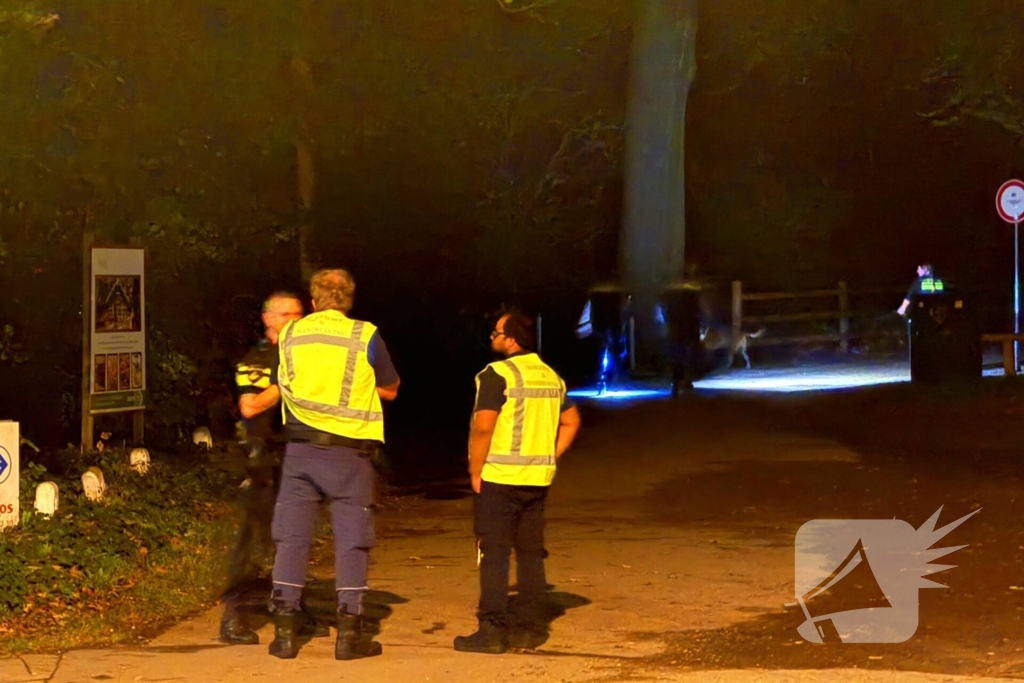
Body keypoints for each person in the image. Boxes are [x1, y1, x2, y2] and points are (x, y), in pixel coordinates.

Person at [266, 269, 400, 661]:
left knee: (291, 538)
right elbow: (391, 389)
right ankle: (349, 636)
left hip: (300, 452)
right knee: (352, 540)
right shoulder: (365, 335)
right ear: (349, 300)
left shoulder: (290, 333)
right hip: (349, 456)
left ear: (313, 302)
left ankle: (285, 634)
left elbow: (281, 380)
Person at [454, 311, 581, 654]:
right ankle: (531, 629)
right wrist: (550, 455)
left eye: (495, 332)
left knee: (494, 554)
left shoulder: (496, 374)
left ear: (510, 340)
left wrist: (475, 470)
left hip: (500, 477)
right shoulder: (551, 376)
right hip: (537, 480)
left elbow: (484, 426)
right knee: (530, 555)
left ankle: (492, 631)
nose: (492, 337)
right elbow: (571, 422)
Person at [219, 292, 303, 645]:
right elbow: (250, 406)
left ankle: (292, 610)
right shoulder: (258, 358)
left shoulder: (300, 354)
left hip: (290, 456)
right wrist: (285, 383)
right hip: (256, 461)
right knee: (249, 539)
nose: (297, 321)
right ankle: (233, 617)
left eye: (299, 314)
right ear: (269, 319)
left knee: (292, 536)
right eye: (289, 315)